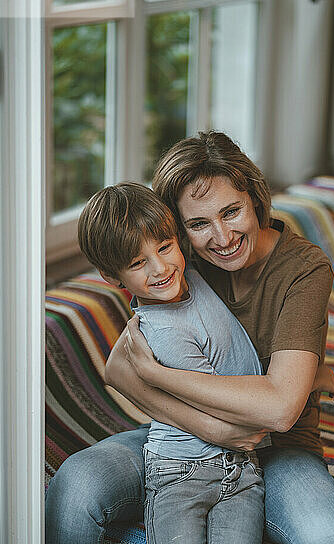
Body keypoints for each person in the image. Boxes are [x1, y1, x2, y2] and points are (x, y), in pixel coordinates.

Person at [45, 131, 334, 544]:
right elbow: (117, 371)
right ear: (179, 229)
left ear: (254, 197)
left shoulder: (303, 269)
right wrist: (210, 428)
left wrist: (159, 376)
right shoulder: (179, 264)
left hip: (281, 450)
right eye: (199, 223)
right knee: (75, 484)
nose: (221, 238)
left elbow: (280, 410)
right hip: (186, 445)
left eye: (232, 212)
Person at [77, 181, 268, 544]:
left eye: (165, 247)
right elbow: (223, 406)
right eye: (138, 263)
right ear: (112, 277)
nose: (161, 268)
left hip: (241, 470)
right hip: (181, 472)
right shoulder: (162, 329)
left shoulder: (193, 275)